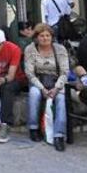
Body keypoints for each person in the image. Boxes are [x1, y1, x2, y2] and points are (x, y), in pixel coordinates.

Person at [23, 23, 70, 151]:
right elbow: (29, 73)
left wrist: (56, 88)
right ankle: (33, 128)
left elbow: (65, 72)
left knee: (60, 99)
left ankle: (58, 135)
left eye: (47, 35)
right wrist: (42, 88)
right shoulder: (30, 49)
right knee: (34, 94)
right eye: (42, 36)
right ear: (37, 37)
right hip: (38, 81)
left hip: (56, 81)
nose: (45, 38)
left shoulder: (60, 49)